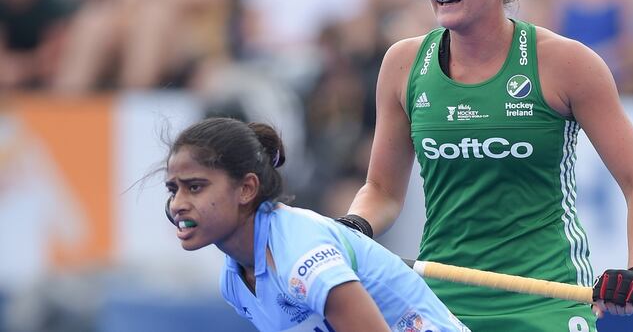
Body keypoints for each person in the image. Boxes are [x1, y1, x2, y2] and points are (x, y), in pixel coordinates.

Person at [339, 0, 633, 330]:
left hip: (547, 302)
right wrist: (353, 226)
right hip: (440, 303)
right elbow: (381, 190)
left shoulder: (566, 63)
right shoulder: (403, 64)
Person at [162, 117, 470, 332]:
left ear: (246, 189)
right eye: (173, 190)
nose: (178, 204)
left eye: (195, 187)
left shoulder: (300, 253)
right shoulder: (233, 283)